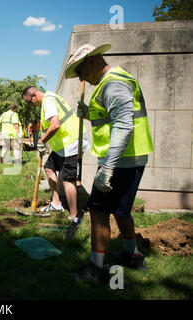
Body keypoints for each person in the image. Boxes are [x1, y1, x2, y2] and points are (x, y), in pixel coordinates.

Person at [65, 43, 154, 282]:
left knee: (99, 211)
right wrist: (88, 112)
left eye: (81, 72)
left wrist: (107, 169)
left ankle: (95, 268)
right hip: (130, 157)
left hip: (121, 160)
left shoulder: (113, 83)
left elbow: (124, 126)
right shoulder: (112, 82)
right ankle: (132, 256)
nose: (81, 78)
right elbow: (110, 117)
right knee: (121, 210)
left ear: (93, 61)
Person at [22, 87, 89, 220]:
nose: (31, 105)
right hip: (62, 146)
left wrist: (42, 141)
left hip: (71, 143)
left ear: (34, 95)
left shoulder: (48, 102)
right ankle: (56, 203)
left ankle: (74, 216)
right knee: (48, 167)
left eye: (30, 102)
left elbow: (55, 125)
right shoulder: (49, 99)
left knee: (67, 180)